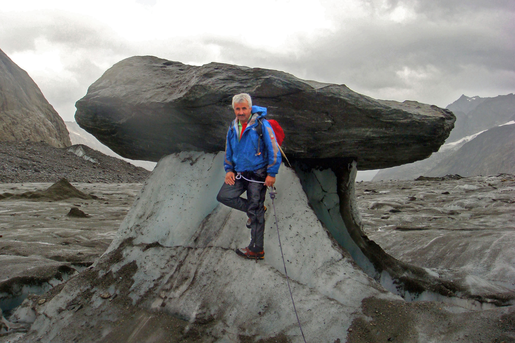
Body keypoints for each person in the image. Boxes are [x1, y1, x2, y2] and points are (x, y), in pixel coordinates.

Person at [216, 93, 282, 260]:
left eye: (244, 108)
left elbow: (273, 148)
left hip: (258, 174)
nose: (240, 112)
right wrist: (229, 170)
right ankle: (256, 210)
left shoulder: (261, 124)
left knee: (256, 210)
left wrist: (271, 173)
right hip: (239, 173)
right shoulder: (232, 127)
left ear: (250, 108)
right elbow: (229, 150)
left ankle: (256, 249)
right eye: (237, 109)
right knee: (224, 196)